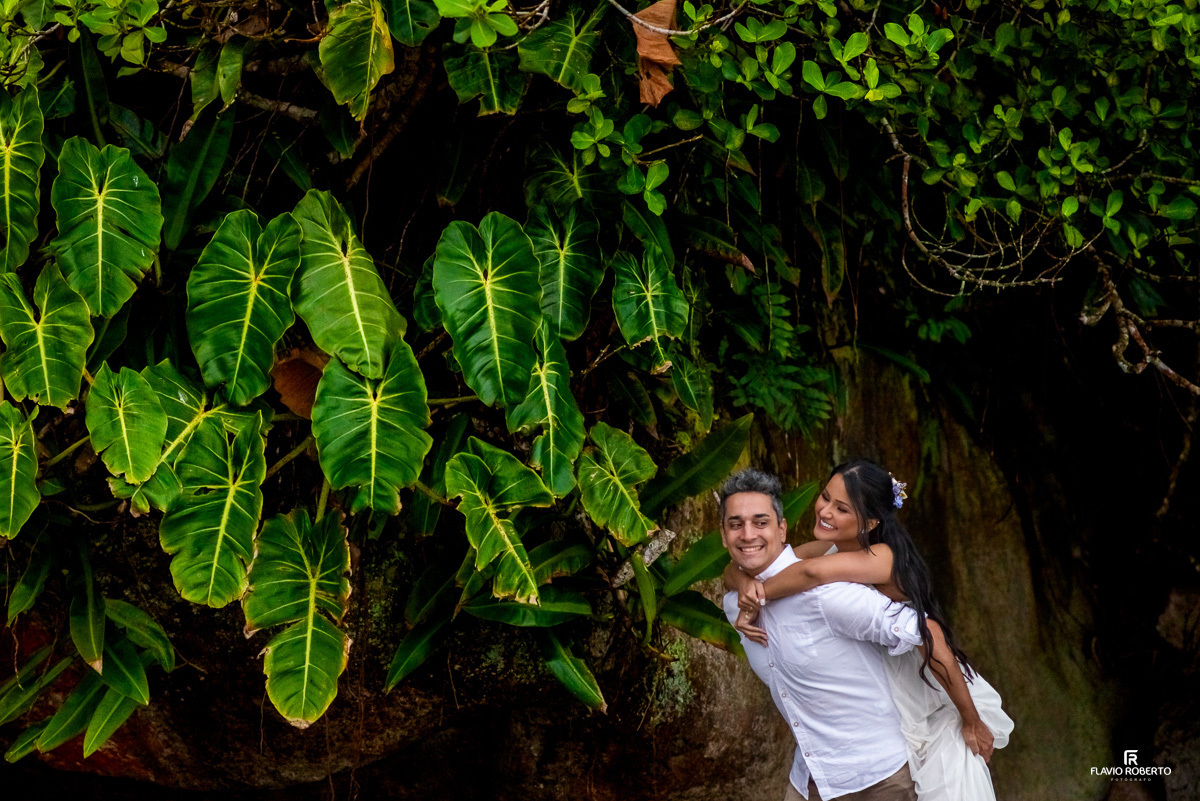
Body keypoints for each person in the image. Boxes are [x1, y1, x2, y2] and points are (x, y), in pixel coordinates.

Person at [723, 461, 1013, 801]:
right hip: (879, 668)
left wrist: (756, 599)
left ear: (870, 522)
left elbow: (811, 575)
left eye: (842, 508)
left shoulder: (881, 557)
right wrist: (742, 582)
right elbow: (758, 566)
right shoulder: (827, 548)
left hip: (921, 668)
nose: (825, 511)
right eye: (825, 497)